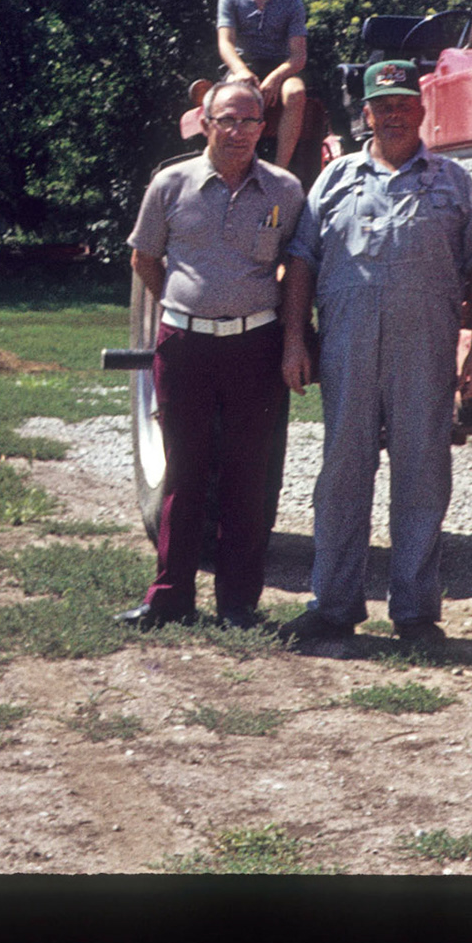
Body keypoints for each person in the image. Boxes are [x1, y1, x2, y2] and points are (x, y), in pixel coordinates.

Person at [277, 60, 472, 654]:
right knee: (343, 475)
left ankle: (416, 614)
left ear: (421, 111)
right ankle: (333, 606)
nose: (394, 114)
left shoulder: (454, 182)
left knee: (423, 476)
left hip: (425, 350)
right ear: (366, 114)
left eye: (405, 104)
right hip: (346, 347)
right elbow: (301, 261)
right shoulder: (334, 178)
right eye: (383, 105)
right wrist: (296, 339)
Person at [118, 78, 305, 631]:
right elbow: (145, 259)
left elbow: (298, 272)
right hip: (185, 349)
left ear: (263, 129)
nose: (239, 132)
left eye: (250, 122)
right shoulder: (170, 184)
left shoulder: (285, 191)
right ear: (205, 123)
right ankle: (169, 596)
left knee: (248, 475)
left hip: (256, 347)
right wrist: (186, 310)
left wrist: (292, 339)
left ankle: (238, 604)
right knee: (184, 471)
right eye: (227, 119)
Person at [216, 0, 310, 171]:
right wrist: (241, 71)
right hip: (242, 67)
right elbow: (225, 42)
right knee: (234, 99)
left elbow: (298, 56)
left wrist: (276, 78)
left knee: (297, 92)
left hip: (279, 68)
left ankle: (280, 169)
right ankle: (231, 162)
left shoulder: (292, 4)